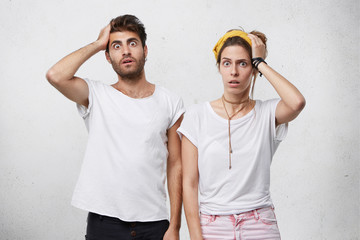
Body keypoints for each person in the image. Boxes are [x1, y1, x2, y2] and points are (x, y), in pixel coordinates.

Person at [46, 15, 184, 240]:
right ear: (108, 57)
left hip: (154, 223)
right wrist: (98, 44)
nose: (126, 51)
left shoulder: (170, 101)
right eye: (116, 46)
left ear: (145, 50)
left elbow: (176, 164)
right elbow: (55, 76)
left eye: (132, 43)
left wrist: (175, 227)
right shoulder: (96, 95)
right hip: (104, 223)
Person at [179, 29, 306, 239]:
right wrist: (195, 236)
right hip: (212, 225)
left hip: (260, 223)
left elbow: (297, 102)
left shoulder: (267, 113)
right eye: (227, 63)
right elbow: (189, 184)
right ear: (219, 67)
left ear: (254, 70)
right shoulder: (197, 116)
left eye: (243, 63)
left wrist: (260, 62)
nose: (234, 72)